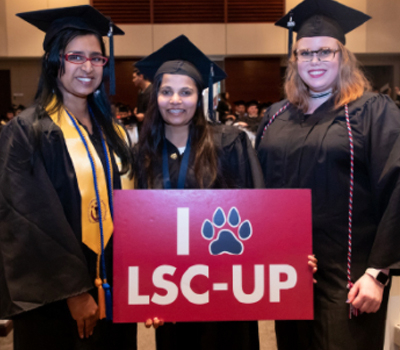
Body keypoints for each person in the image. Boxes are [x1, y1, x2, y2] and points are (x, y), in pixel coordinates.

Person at [256, 0, 400, 349]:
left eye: (325, 51)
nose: (315, 60)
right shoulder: (276, 117)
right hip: (289, 272)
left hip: (349, 276)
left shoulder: (371, 112)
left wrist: (377, 274)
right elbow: (257, 192)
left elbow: (397, 187)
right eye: (305, 53)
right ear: (294, 61)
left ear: (342, 57)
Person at [0, 5, 136, 350]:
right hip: (56, 298)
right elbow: (26, 219)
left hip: (115, 286)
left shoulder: (114, 132)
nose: (88, 67)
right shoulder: (27, 131)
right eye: (75, 56)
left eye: (96, 58)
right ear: (53, 61)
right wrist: (74, 292)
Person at [133, 34, 264, 350]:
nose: (175, 100)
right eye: (166, 91)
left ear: (199, 97)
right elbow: (139, 228)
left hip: (227, 285)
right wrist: (147, 292)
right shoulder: (144, 153)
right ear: (155, 97)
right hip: (173, 287)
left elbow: (259, 210)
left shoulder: (229, 143)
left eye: (185, 92)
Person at [132, 65, 152, 134]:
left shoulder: (153, 91)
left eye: (134, 77)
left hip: (151, 129)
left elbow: (158, 111)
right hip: (141, 128)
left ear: (141, 77)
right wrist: (137, 109)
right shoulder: (140, 91)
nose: (133, 80)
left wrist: (145, 116)